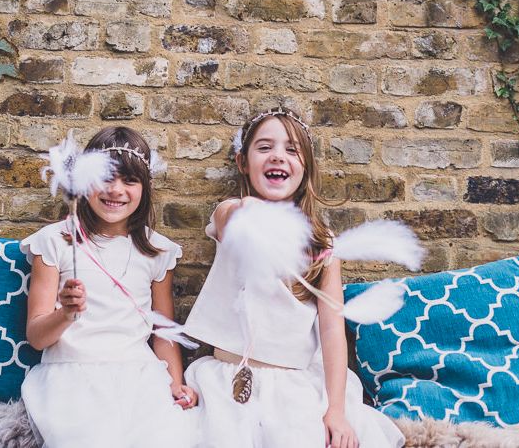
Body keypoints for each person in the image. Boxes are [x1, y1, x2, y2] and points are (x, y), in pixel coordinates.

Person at [184, 106, 405, 448]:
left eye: (291, 150)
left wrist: (335, 409)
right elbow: (232, 219)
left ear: (306, 167)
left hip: (293, 385)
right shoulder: (230, 213)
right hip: (225, 380)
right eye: (264, 148)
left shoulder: (321, 242)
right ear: (243, 162)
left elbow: (332, 328)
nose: (278, 156)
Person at [20, 126, 197, 448]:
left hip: (139, 377)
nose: (116, 190)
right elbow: (36, 337)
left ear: (145, 188)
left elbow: (164, 333)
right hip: (71, 377)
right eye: (106, 178)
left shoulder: (157, 251)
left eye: (129, 181)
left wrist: (175, 382)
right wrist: (66, 314)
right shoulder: (55, 242)